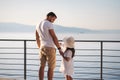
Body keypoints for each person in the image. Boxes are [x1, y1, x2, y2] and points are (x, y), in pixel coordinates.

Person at [36, 12, 63, 80]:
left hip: (42, 47)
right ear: (49, 16)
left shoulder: (38, 24)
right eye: (53, 19)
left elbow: (37, 37)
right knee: (51, 67)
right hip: (50, 48)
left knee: (42, 66)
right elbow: (54, 36)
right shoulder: (49, 24)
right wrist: (59, 48)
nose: (53, 21)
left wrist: (40, 47)